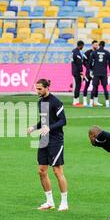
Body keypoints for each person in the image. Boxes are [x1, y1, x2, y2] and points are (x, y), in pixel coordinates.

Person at [27, 79, 69, 212]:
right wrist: (34, 127)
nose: (37, 91)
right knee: (41, 171)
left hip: (55, 140)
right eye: (36, 88)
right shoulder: (41, 102)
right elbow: (44, 121)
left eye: (39, 89)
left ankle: (64, 202)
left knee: (57, 171)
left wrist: (50, 128)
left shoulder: (56, 102)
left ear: (47, 88)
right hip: (43, 139)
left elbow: (63, 120)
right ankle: (49, 202)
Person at [89, 41, 110, 107]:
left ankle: (90, 103)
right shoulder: (107, 53)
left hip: (96, 72)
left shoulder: (94, 52)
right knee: (105, 88)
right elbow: (109, 63)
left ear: (99, 45)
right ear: (104, 45)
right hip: (103, 72)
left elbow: (90, 62)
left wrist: (90, 70)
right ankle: (107, 103)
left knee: (94, 87)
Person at [82, 40, 98, 107]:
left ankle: (95, 102)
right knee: (87, 85)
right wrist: (88, 68)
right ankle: (85, 101)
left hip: (95, 72)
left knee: (95, 86)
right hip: (89, 72)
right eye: (95, 45)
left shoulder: (98, 53)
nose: (96, 46)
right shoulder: (88, 52)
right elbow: (83, 61)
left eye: (97, 45)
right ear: (92, 45)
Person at [71, 40, 84, 107]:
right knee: (78, 86)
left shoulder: (73, 51)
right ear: (81, 45)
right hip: (77, 71)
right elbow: (79, 64)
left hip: (74, 70)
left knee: (77, 85)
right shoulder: (77, 53)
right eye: (82, 46)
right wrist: (81, 72)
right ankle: (75, 101)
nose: (83, 47)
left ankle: (76, 101)